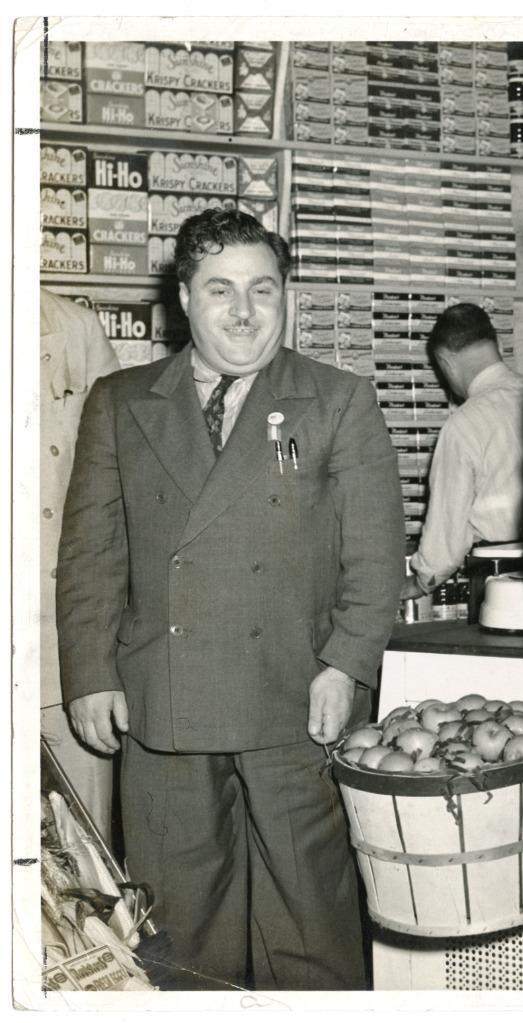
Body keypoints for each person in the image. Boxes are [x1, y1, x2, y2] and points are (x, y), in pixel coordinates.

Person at [56, 209, 405, 990]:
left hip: (295, 701)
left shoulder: (338, 399)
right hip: (162, 705)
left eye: (263, 290)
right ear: (184, 297)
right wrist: (88, 673)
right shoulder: (120, 400)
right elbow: (90, 554)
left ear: (286, 297)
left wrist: (345, 664)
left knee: (310, 924)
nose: (244, 311)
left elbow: (375, 557)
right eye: (221, 290)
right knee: (180, 932)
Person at [39, 289, 120, 837]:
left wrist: (96, 667)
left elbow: (116, 494)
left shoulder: (74, 329)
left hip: (59, 651)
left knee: (86, 861)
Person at [408, 302, 523, 593]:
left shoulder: (462, 425)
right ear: (499, 344)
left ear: (445, 363)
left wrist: (419, 582)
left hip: (498, 577)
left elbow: (445, 540)